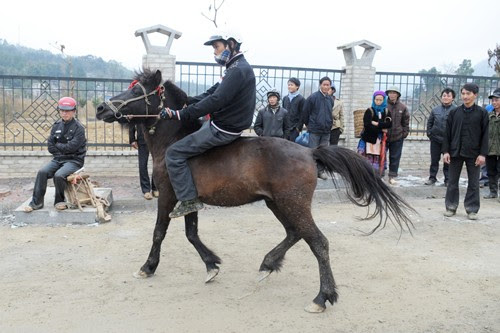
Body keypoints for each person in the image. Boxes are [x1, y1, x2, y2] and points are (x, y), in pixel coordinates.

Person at [160, 32, 256, 218]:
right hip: (222, 122)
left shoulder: (237, 70)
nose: (214, 52)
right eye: (213, 48)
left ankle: (188, 200)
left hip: (223, 128)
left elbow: (217, 99)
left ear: (231, 44)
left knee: (173, 153)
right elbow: (212, 92)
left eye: (216, 47)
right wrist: (188, 101)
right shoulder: (235, 67)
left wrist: (180, 114)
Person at [24, 97, 87, 212]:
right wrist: (61, 147)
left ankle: (59, 201)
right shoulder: (56, 125)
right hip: (58, 159)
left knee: (59, 175)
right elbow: (50, 147)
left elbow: (72, 147)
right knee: (42, 172)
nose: (64, 113)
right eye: (62, 110)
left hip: (74, 160)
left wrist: (58, 145)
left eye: (67, 111)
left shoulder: (79, 128)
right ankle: (36, 203)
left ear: (74, 111)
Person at [442, 83, 489, 220]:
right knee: (452, 182)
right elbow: (447, 134)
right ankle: (451, 206)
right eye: (463, 93)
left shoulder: (482, 113)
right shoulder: (454, 112)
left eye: (468, 94)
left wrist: (482, 154)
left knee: (473, 183)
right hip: (455, 152)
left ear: (475, 95)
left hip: (474, 154)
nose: (465, 96)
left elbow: (486, 134)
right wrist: (445, 151)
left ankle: (472, 209)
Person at [303, 76, 334, 180]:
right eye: (324, 84)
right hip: (314, 131)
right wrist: (309, 125)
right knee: (313, 152)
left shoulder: (330, 99)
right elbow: (305, 113)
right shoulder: (313, 97)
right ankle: (311, 172)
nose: (326, 87)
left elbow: (330, 113)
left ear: (330, 86)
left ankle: (320, 171)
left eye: (328, 85)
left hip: (326, 131)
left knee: (323, 153)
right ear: (320, 85)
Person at [425, 88, 457, 186]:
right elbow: (430, 123)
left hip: (449, 141)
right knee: (434, 160)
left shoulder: (456, 110)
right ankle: (432, 178)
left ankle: (447, 179)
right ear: (441, 97)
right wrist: (430, 134)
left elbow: (457, 125)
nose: (446, 98)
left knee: (448, 161)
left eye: (448, 96)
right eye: (444, 96)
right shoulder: (435, 110)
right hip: (435, 139)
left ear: (453, 98)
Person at [357, 91, 392, 172]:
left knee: (378, 160)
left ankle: (377, 176)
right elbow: (367, 125)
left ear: (384, 100)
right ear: (374, 99)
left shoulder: (386, 111)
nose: (378, 102)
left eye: (380, 100)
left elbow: (389, 124)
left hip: (380, 140)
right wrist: (381, 128)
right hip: (368, 139)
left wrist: (376, 124)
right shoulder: (369, 111)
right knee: (365, 161)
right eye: (376, 100)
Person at [385, 85, 410, 185]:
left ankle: (392, 176)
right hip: (384, 136)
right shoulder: (384, 105)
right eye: (390, 93)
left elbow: (406, 122)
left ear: (398, 95)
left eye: (394, 93)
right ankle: (380, 174)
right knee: (381, 156)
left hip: (397, 137)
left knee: (395, 157)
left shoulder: (402, 107)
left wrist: (404, 134)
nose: (392, 95)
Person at [129, 124, 158, 200]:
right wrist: (132, 139)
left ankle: (155, 188)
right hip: (142, 136)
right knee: (143, 163)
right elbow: (132, 120)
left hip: (157, 137)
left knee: (157, 163)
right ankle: (146, 190)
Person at [484, 88, 500, 200]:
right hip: (490, 148)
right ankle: (493, 192)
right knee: (491, 171)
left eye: (497, 100)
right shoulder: (488, 115)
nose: (494, 102)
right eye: (493, 100)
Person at [282, 77, 305, 142]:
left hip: (294, 128)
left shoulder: (301, 99)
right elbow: (283, 112)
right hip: (285, 128)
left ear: (297, 86)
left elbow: (302, 115)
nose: (289, 86)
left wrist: (298, 128)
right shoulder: (285, 98)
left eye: (291, 85)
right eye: (288, 85)